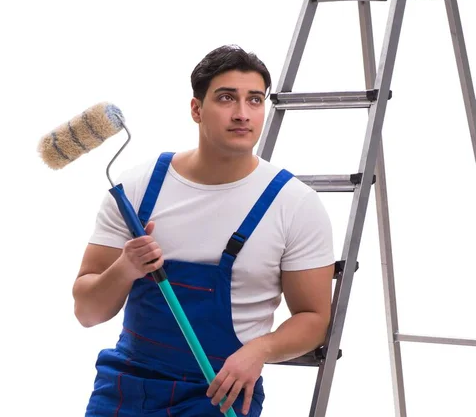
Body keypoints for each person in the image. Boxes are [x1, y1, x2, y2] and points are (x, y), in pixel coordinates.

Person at [73, 45, 335, 416]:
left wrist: (259, 350)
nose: (242, 114)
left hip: (219, 395)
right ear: (196, 109)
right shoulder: (138, 188)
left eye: (255, 100)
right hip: (125, 390)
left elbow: (313, 319)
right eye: (226, 98)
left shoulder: (293, 204)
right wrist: (126, 268)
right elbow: (87, 312)